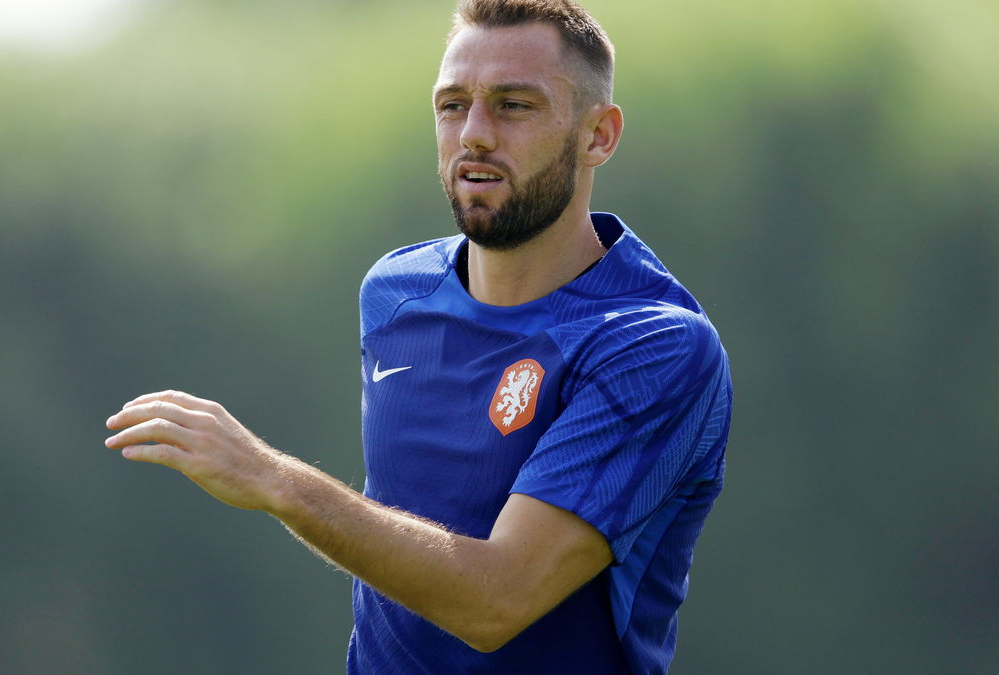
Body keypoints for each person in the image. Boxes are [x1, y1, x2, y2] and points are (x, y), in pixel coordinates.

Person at [104, 0, 732, 672]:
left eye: (514, 105)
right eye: (453, 104)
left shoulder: (653, 346)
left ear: (598, 135)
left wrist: (275, 478)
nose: (474, 135)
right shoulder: (394, 293)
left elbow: (496, 601)